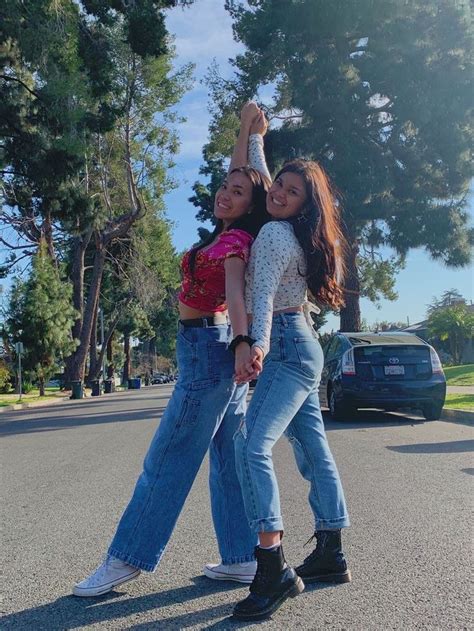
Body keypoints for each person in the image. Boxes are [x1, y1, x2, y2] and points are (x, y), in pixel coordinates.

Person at [72, 102, 270, 597]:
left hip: (210, 348)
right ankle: (244, 558)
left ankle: (126, 558)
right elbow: (237, 172)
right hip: (210, 344)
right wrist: (247, 128)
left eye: (238, 192)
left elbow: (238, 295)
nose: (226, 193)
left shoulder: (235, 244)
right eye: (224, 187)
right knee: (227, 456)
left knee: (168, 457)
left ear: (252, 204)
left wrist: (246, 341)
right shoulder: (228, 228)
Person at [229, 105, 351, 621]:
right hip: (303, 344)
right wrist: (258, 138)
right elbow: (264, 180)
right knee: (312, 446)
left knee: (250, 444)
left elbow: (259, 295)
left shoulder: (276, 235)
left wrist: (253, 347)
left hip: (282, 343)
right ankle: (330, 549)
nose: (277, 192)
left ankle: (272, 565)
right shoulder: (293, 228)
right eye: (278, 183)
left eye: (290, 192)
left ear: (304, 206)